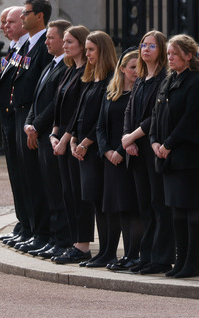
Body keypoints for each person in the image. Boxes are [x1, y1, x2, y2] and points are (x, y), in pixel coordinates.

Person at [150, 34, 199, 279]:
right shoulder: (169, 80)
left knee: (190, 208)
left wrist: (169, 143)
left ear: (188, 55)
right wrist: (154, 140)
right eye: (168, 54)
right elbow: (157, 113)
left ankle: (193, 259)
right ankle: (180, 258)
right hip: (167, 157)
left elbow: (191, 121)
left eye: (174, 54)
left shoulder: (196, 82)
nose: (170, 58)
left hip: (187, 156)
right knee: (175, 210)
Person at [121, 30, 174, 275]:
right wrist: (126, 137)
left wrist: (132, 136)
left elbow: (154, 116)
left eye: (151, 46)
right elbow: (129, 110)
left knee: (158, 204)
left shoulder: (164, 78)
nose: (145, 49)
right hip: (136, 149)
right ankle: (147, 255)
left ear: (161, 50)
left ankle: (161, 257)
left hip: (152, 148)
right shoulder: (141, 78)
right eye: (143, 45)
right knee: (144, 205)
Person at [23, 20, 74, 259]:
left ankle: (62, 239)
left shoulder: (65, 67)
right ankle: (52, 237)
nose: (47, 42)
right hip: (41, 134)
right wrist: (29, 123)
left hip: (51, 135)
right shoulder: (49, 66)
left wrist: (37, 125)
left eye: (51, 38)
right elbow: (36, 100)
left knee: (58, 190)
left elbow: (56, 104)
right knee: (47, 189)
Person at [71, 31, 117, 268]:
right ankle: (103, 252)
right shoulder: (91, 78)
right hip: (84, 149)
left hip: (97, 150)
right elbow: (80, 115)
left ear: (102, 50)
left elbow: (101, 119)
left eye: (91, 49)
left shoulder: (110, 79)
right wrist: (73, 138)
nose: (87, 54)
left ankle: (109, 251)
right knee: (95, 202)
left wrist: (85, 142)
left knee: (103, 201)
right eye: (86, 49)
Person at [11, 0, 54, 253]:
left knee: (37, 179)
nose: (22, 18)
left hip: (35, 116)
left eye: (25, 13)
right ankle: (31, 229)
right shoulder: (26, 44)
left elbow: (45, 90)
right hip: (23, 115)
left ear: (39, 16)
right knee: (24, 176)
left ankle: (42, 231)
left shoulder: (44, 46)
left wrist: (35, 123)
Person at [97, 49, 142, 271]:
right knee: (117, 208)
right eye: (132, 67)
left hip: (127, 156)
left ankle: (134, 253)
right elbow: (100, 126)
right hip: (110, 159)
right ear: (122, 69)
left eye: (138, 67)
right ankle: (122, 254)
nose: (136, 71)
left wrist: (119, 151)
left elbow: (134, 127)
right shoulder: (110, 93)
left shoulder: (139, 93)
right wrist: (106, 151)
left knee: (130, 206)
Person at [50, 25, 92, 264]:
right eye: (64, 42)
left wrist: (66, 139)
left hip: (74, 142)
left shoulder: (85, 72)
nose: (64, 46)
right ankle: (74, 241)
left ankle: (83, 244)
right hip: (61, 141)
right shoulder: (68, 70)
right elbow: (59, 107)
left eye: (69, 43)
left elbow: (78, 112)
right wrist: (54, 134)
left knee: (79, 194)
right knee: (67, 193)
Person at [0, 6, 30, 247]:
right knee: (17, 177)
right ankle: (24, 224)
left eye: (10, 22)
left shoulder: (29, 48)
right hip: (9, 119)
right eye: (4, 23)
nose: (5, 27)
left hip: (20, 118)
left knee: (27, 178)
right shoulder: (15, 48)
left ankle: (31, 227)